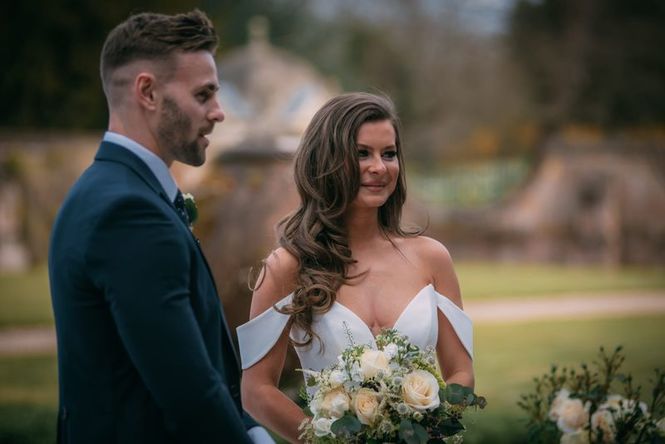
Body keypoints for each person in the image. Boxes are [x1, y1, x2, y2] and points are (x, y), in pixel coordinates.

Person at [48, 10, 272, 444]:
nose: (219, 112)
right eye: (203, 95)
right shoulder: (130, 212)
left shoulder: (106, 190)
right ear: (147, 92)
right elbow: (188, 391)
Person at [236, 92, 475, 442]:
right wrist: (326, 440)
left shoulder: (432, 258)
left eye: (389, 154)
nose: (379, 167)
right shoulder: (287, 267)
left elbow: (462, 373)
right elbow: (255, 390)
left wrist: (424, 432)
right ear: (326, 161)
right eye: (362, 153)